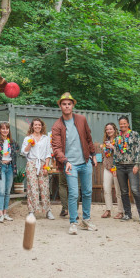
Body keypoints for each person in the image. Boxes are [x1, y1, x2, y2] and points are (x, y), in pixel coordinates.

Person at [50, 92, 96, 235]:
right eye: (64, 104)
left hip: (85, 161)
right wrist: (65, 161)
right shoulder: (57, 126)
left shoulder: (81, 119)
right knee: (74, 193)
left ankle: (86, 220)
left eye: (69, 104)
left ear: (73, 105)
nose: (67, 106)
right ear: (60, 106)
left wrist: (93, 154)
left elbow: (88, 138)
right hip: (70, 165)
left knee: (87, 192)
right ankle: (73, 223)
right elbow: (56, 148)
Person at [114, 116, 140, 223]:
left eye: (124, 123)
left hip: (132, 165)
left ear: (128, 124)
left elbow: (138, 150)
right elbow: (116, 153)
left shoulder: (134, 134)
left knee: (135, 190)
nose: (122, 125)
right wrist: (115, 166)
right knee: (123, 191)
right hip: (120, 166)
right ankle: (127, 214)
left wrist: (137, 164)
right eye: (121, 124)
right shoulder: (118, 137)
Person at [21, 118, 54, 220]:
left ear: (42, 126)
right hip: (31, 163)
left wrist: (46, 167)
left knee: (44, 187)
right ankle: (31, 211)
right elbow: (23, 152)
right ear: (32, 126)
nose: (37, 126)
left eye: (39, 125)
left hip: (43, 163)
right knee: (32, 187)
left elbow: (48, 153)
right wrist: (30, 144)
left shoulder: (46, 138)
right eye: (35, 125)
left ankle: (47, 210)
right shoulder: (28, 138)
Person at [100, 123, 121, 219]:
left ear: (114, 129)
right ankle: (108, 210)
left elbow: (122, 153)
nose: (108, 131)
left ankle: (121, 211)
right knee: (106, 188)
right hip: (107, 167)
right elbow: (104, 154)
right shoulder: (106, 141)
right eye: (107, 129)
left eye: (110, 129)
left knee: (118, 190)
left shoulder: (119, 140)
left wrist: (113, 148)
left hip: (116, 167)